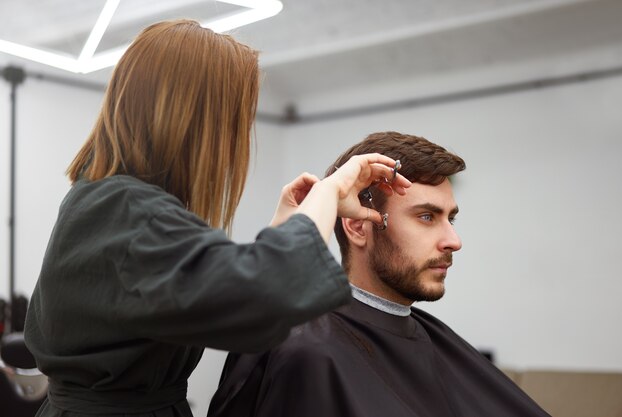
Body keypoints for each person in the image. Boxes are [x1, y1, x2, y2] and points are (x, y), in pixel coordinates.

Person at [23, 21, 411, 417]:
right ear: (197, 120)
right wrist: (330, 192)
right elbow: (267, 294)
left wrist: (286, 222)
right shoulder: (123, 209)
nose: (239, 137)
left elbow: (224, 295)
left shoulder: (104, 199)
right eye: (237, 120)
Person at [207, 131, 550, 417]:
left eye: (451, 219)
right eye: (427, 217)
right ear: (357, 226)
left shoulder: (429, 338)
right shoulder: (308, 352)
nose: (454, 241)